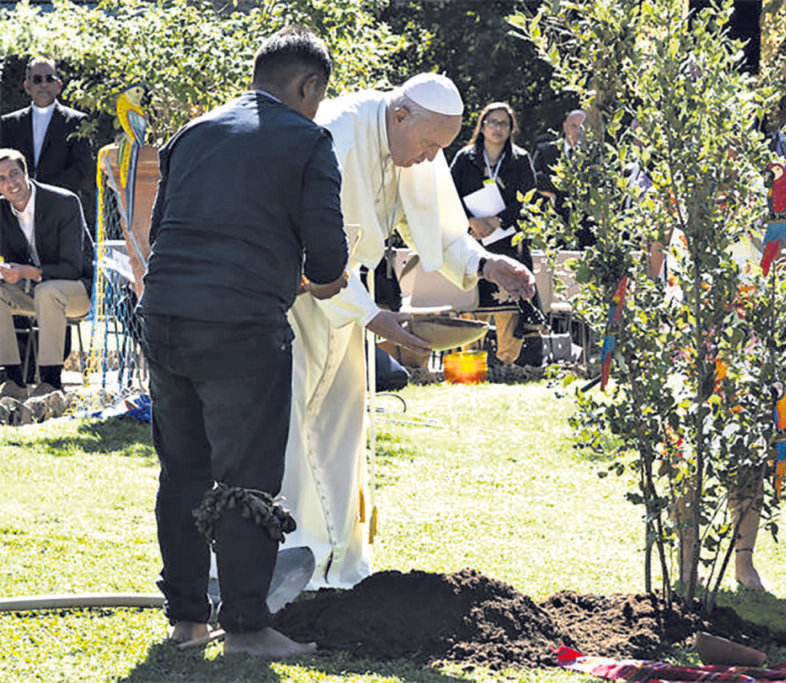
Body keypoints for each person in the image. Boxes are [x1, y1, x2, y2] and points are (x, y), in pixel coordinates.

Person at [138, 27, 349, 657]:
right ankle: (248, 627)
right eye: (318, 97)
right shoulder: (308, 140)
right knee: (246, 478)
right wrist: (323, 280)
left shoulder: (192, 132)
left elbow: (159, 232)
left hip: (164, 315)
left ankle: (187, 620)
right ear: (309, 86)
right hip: (240, 327)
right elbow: (328, 258)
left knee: (182, 471)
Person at [279, 73, 535, 590]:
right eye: (428, 146)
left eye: (440, 148)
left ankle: (337, 567)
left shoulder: (416, 137)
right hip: (300, 299)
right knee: (292, 427)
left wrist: (487, 264)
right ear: (400, 116)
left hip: (352, 297)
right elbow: (306, 244)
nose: (430, 158)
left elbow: (440, 228)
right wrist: (370, 314)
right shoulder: (333, 133)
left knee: (340, 430)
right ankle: (290, 561)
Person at [449, 102, 541, 366]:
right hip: (473, 241)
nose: (498, 128)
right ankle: (469, 362)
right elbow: (449, 194)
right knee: (472, 304)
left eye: (504, 123)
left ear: (511, 129)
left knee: (509, 305)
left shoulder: (520, 159)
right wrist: (470, 221)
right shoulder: (465, 158)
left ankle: (509, 363)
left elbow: (528, 198)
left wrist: (498, 220)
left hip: (508, 242)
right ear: (482, 126)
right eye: (493, 122)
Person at [0, 148, 91, 399]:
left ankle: (51, 383)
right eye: (2, 179)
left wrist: (28, 272)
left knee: (47, 290)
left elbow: (73, 267)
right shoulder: (1, 211)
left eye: (14, 174)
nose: (10, 183)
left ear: (26, 173)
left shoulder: (64, 203)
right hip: (31, 291)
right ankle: (13, 381)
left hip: (77, 290)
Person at [0, 57, 93, 204]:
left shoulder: (77, 121)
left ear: (59, 85)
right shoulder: (8, 123)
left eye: (49, 79)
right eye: (37, 80)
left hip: (60, 204)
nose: (44, 84)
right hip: (17, 204)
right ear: (27, 86)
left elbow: (81, 167)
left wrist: (45, 194)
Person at [532, 109, 594, 248]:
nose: (577, 131)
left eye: (582, 128)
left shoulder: (593, 156)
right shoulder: (545, 151)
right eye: (573, 126)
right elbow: (534, 181)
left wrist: (552, 186)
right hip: (552, 224)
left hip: (584, 229)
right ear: (565, 126)